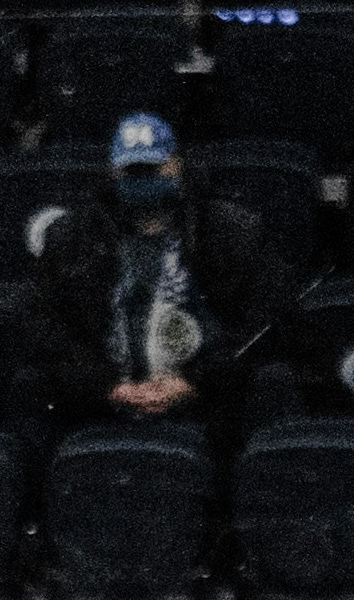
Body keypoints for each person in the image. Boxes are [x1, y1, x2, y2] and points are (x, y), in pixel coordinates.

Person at [20, 109, 292, 441]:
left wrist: (194, 381)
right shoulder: (73, 236)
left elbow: (264, 319)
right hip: (104, 397)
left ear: (177, 164)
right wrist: (107, 386)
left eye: (152, 169)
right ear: (112, 171)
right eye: (132, 171)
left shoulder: (229, 230)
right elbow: (44, 324)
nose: (142, 179)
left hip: (206, 397)